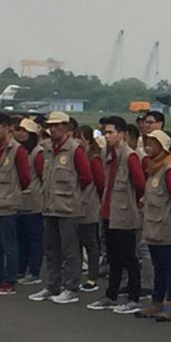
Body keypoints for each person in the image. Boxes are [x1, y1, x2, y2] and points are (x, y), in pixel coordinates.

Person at [29, 112, 93, 305]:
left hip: (68, 207)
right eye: (51, 125)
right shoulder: (47, 148)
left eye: (58, 125)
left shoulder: (75, 149)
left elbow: (86, 177)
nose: (53, 129)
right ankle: (52, 285)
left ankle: (71, 287)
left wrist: (72, 194)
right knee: (51, 249)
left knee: (70, 250)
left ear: (66, 127)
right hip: (49, 205)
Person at [88, 115, 146, 314]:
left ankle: (133, 297)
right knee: (113, 257)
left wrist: (134, 203)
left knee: (129, 257)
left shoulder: (130, 155)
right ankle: (111, 294)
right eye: (106, 132)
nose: (108, 136)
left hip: (124, 212)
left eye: (111, 132)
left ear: (122, 134)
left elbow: (139, 184)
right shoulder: (108, 154)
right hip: (108, 210)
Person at [137, 129, 171, 320]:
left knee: (170, 266)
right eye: (147, 143)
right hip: (152, 222)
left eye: (153, 144)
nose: (148, 148)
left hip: (166, 223)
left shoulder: (169, 168)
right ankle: (156, 302)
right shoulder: (152, 167)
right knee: (158, 266)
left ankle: (170, 305)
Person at [0, 113, 31, 295]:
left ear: (6, 128)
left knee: (8, 243)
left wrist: (12, 193)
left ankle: (9, 279)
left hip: (7, 203)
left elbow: (25, 177)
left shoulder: (16, 150)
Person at [14, 118, 44, 286]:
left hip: (34, 200)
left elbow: (42, 175)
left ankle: (34, 271)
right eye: (17, 130)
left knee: (34, 238)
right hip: (20, 199)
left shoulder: (37, 152)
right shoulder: (18, 150)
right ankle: (21, 268)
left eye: (23, 130)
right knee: (21, 238)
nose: (19, 133)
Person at [77, 128, 104, 294]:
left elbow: (100, 183)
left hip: (90, 203)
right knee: (76, 243)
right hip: (75, 204)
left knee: (91, 243)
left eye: (79, 138)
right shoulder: (78, 157)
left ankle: (92, 277)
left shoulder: (94, 159)